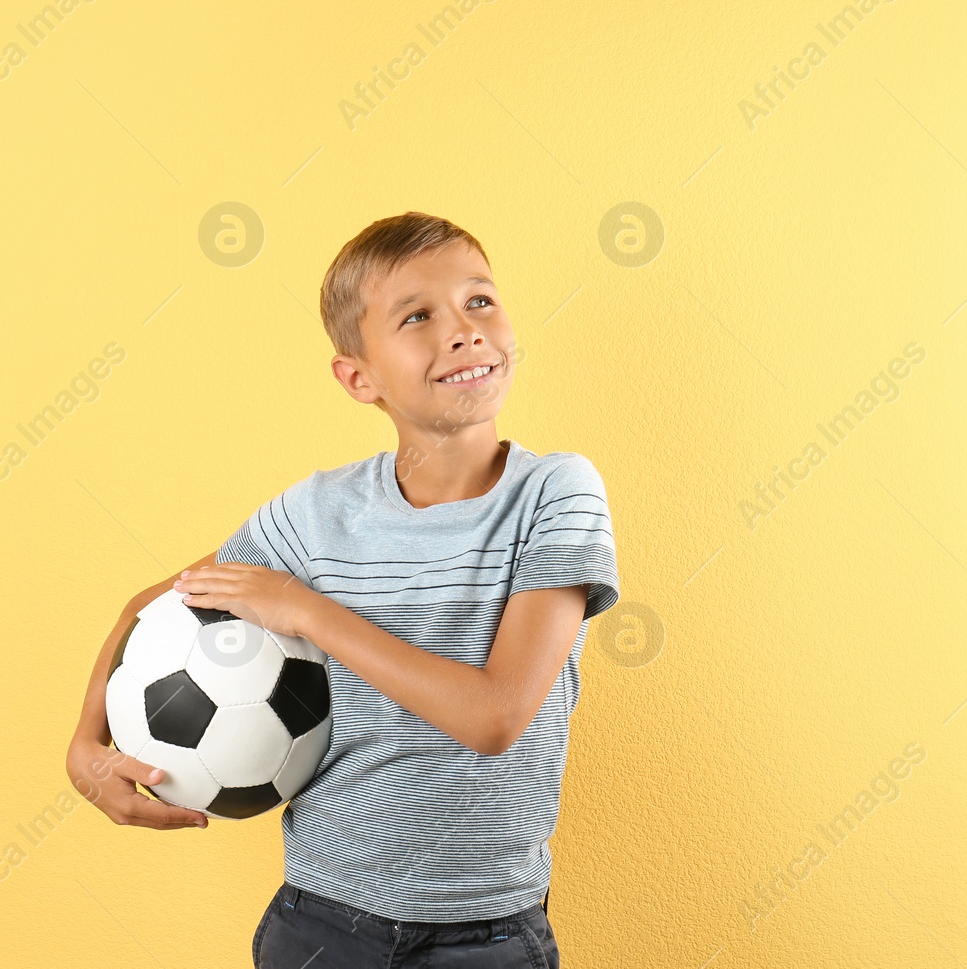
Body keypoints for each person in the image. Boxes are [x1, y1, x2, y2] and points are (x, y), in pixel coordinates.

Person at [66, 211, 619, 967]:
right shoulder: (316, 514)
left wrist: (306, 611)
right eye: (417, 316)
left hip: (485, 935)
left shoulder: (556, 493)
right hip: (320, 921)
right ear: (359, 376)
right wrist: (84, 745)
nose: (462, 330)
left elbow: (495, 715)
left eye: (480, 300)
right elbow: (149, 606)